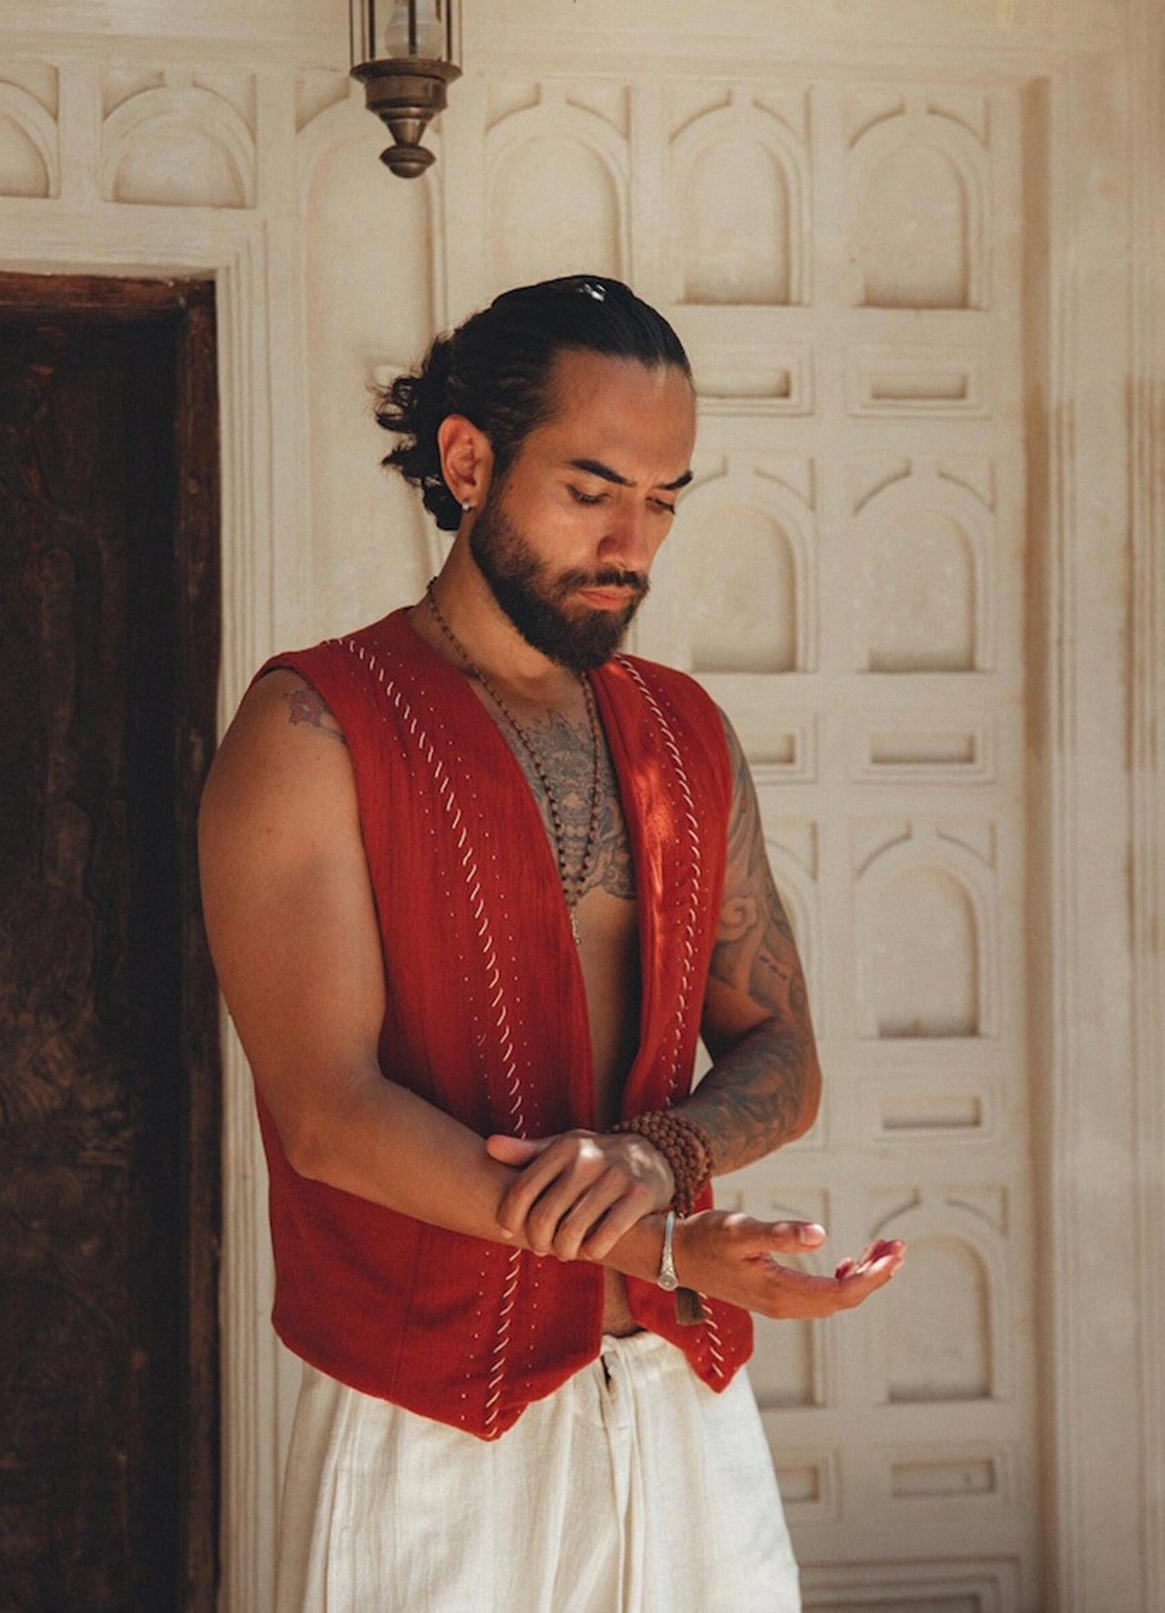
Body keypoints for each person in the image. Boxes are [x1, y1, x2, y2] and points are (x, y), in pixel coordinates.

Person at [199, 275, 904, 1613]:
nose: (631, 542)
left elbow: (781, 1050)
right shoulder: (311, 729)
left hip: (681, 1401)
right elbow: (330, 1117)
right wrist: (655, 1244)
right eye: (591, 491)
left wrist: (661, 1156)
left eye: (663, 499)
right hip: (433, 1426)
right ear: (466, 460)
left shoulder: (686, 734)